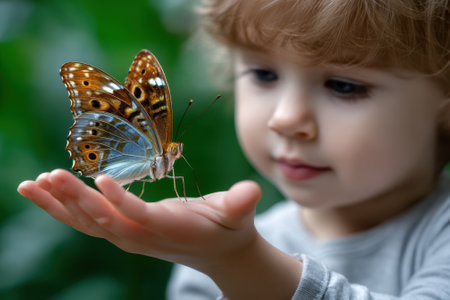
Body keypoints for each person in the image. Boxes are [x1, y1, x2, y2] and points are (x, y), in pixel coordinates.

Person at [18, 0, 450, 299]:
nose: (284, 118)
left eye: (343, 85)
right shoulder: (203, 254)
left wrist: (240, 263)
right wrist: (223, 259)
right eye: (264, 74)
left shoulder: (220, 250)